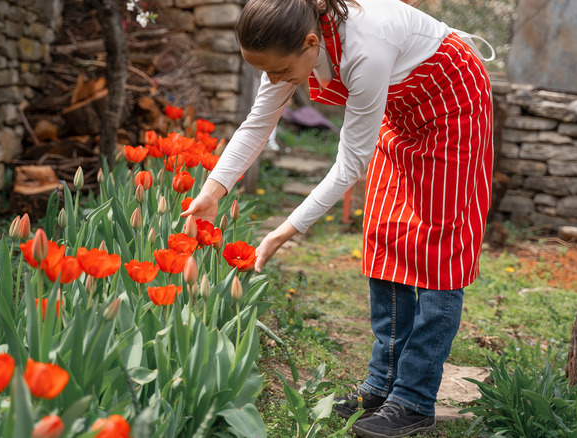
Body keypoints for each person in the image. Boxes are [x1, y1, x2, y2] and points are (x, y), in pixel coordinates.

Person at [182, 0, 494, 436]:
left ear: (312, 43)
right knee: (384, 235)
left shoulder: (366, 49)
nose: (273, 81)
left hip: (454, 107)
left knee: (438, 249)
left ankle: (415, 398)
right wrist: (212, 192)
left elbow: (349, 165)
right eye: (264, 72)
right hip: (403, 113)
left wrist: (284, 231)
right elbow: (258, 123)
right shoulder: (290, 40)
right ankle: (382, 384)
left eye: (278, 71)